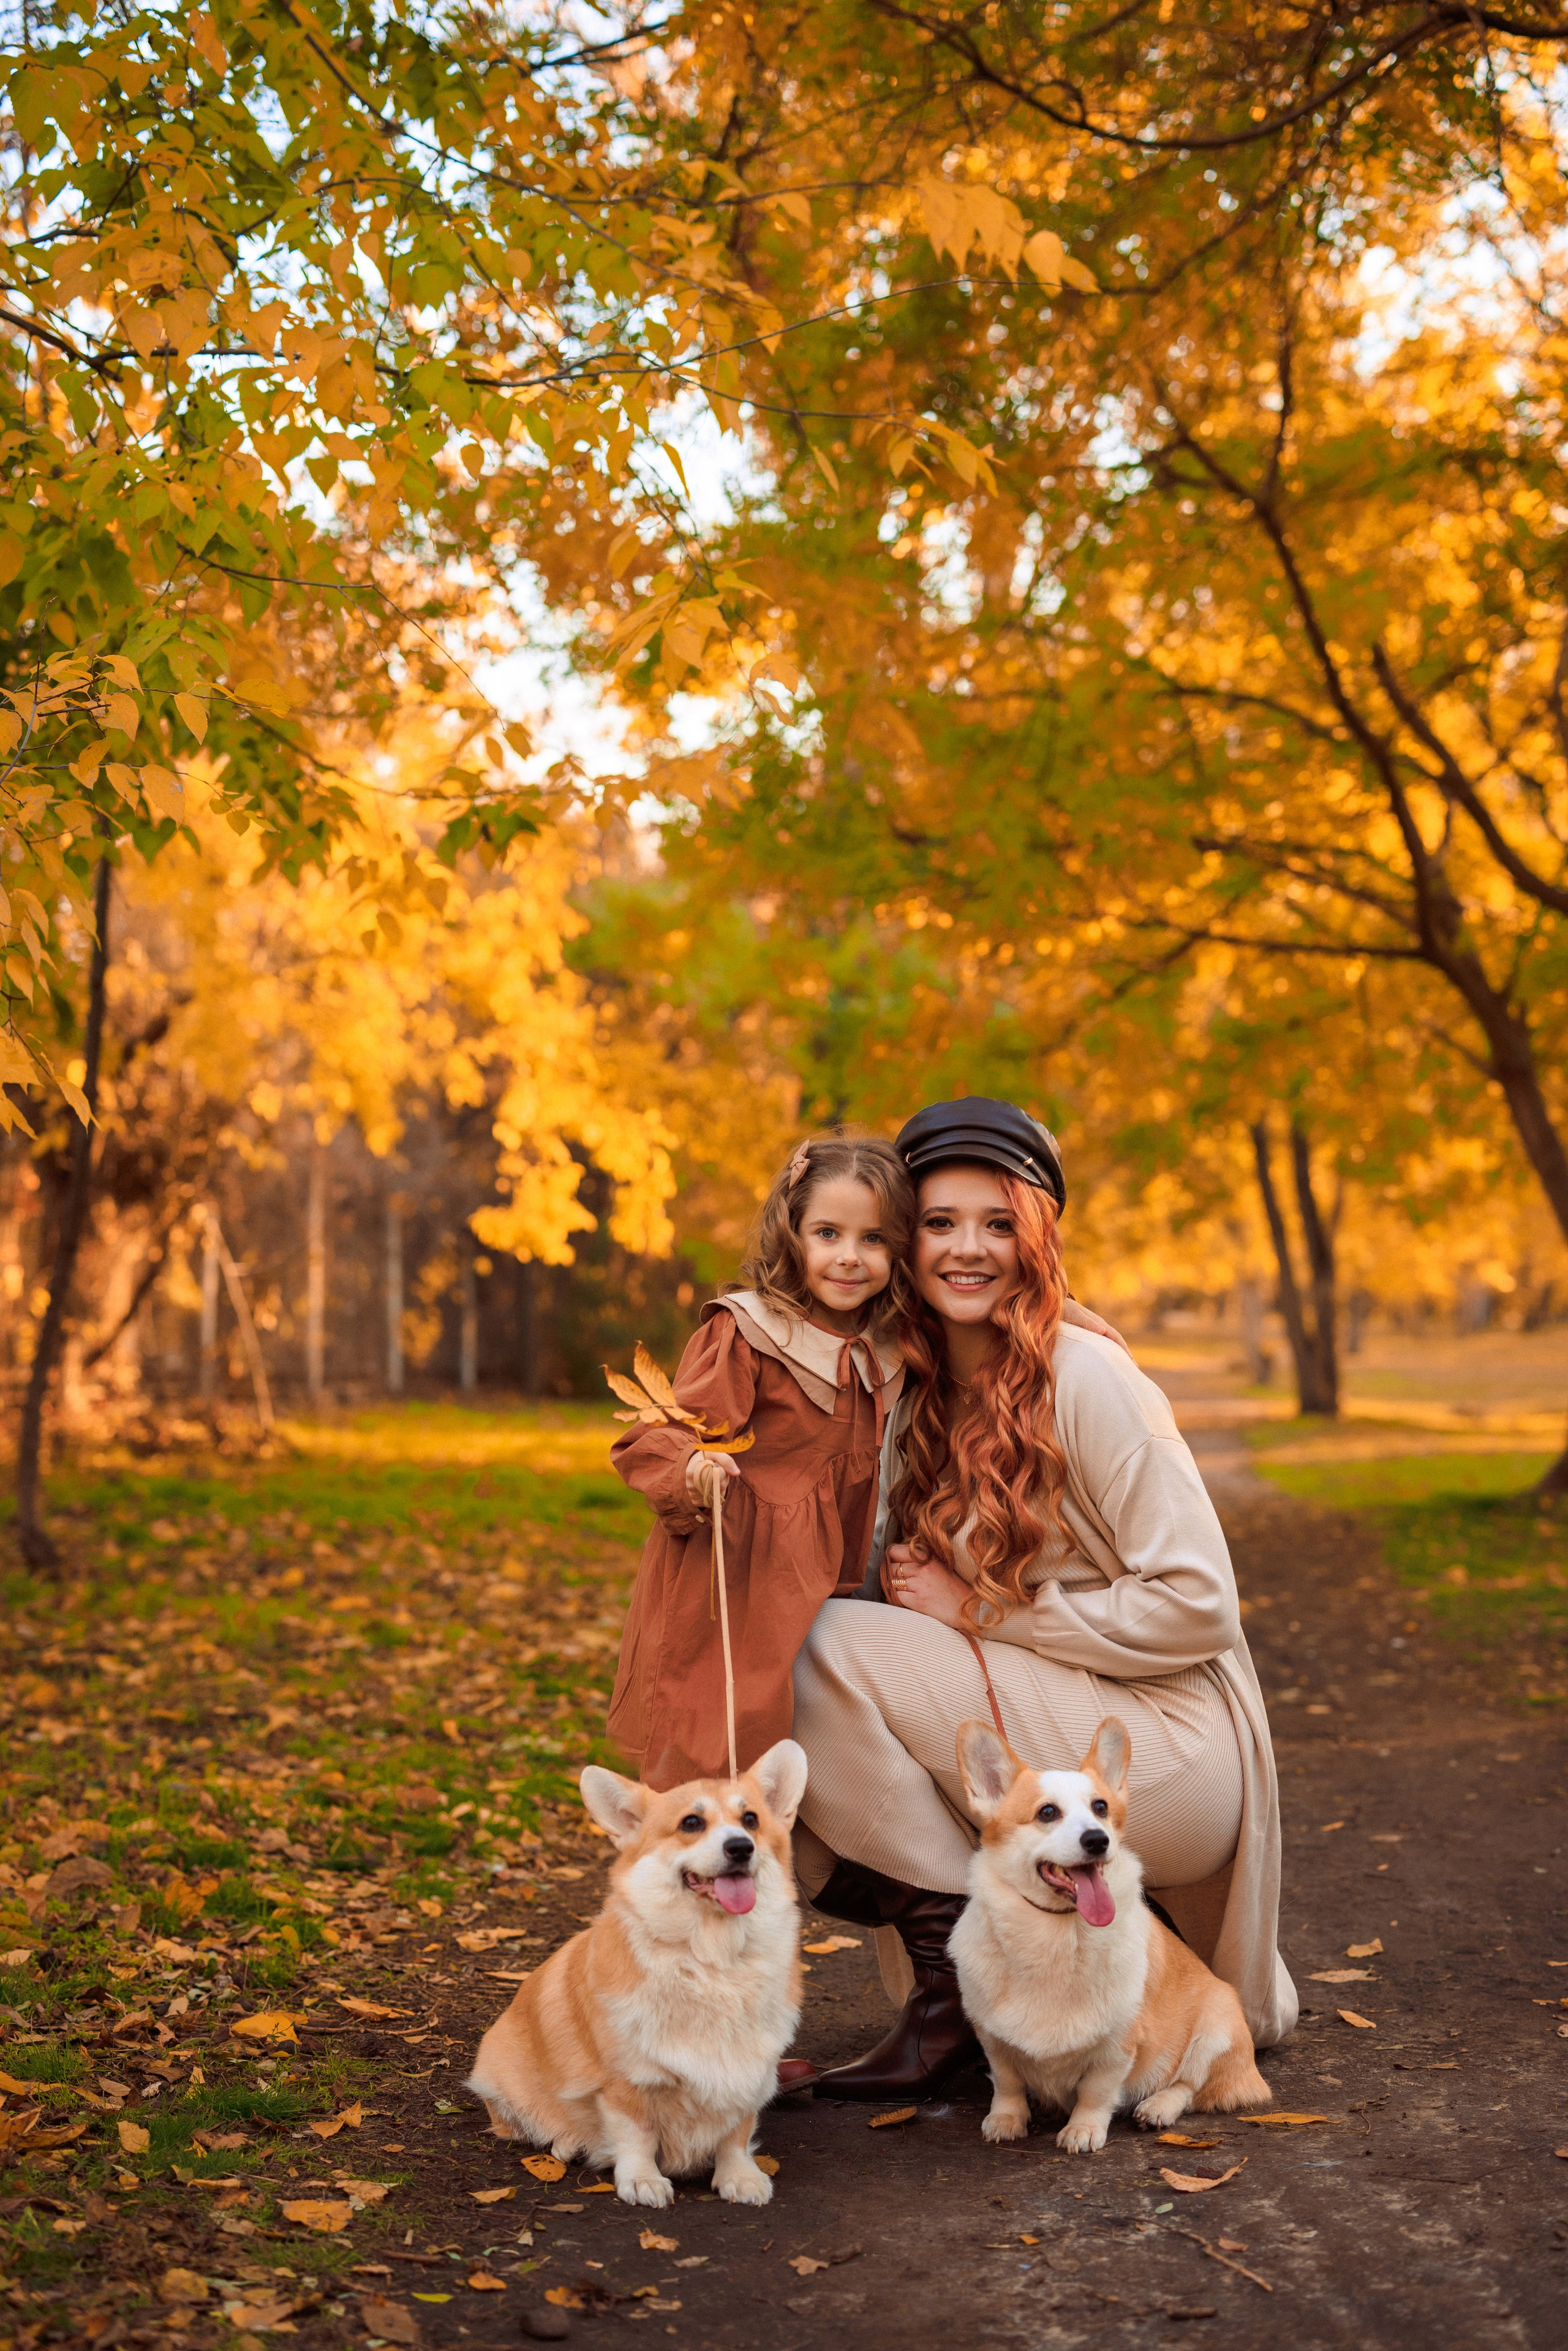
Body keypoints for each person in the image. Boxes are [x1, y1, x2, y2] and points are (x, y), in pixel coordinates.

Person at [789, 1097, 1297, 2101]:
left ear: (1038, 1234)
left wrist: (977, 1612)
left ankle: (956, 1971)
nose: (967, 1248)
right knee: (786, 1704)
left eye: (997, 1221)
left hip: (1166, 1750)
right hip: (1053, 1725)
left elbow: (1202, 1604)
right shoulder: (918, 1387)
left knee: (825, 1647)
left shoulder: (1090, 1376)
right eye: (939, 1223)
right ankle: (951, 1986)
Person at [607, 1134, 914, 1792]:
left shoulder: (890, 1342)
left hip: (846, 1569)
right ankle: (694, 1872)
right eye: (827, 1233)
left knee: (827, 1734)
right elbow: (664, 1431)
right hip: (744, 1572)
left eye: (874, 1239)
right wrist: (694, 1467)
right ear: (792, 1231)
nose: (849, 1258)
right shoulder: (751, 1332)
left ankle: (819, 1866)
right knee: (725, 1736)